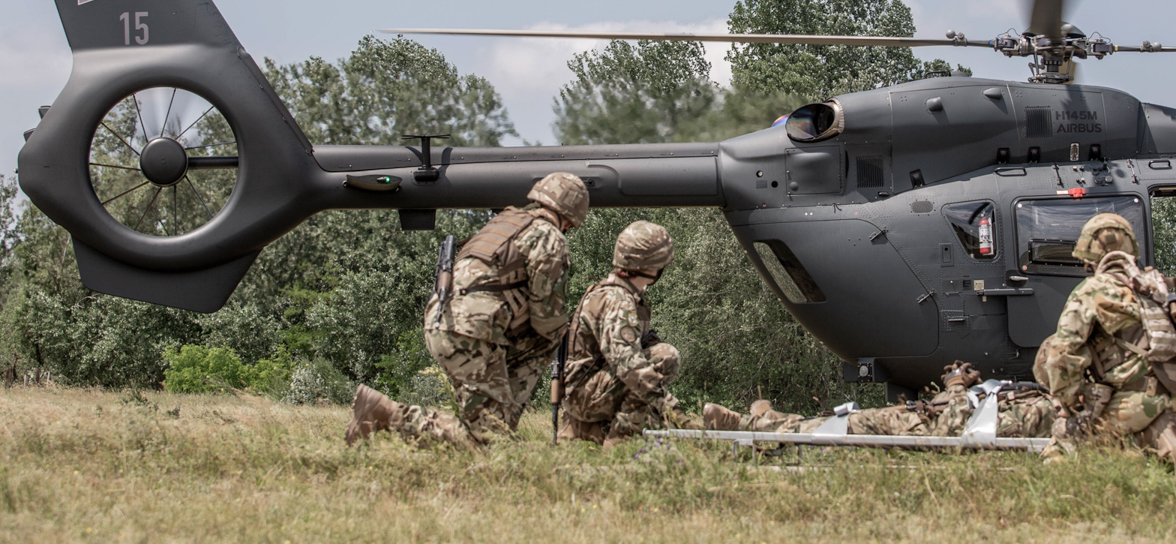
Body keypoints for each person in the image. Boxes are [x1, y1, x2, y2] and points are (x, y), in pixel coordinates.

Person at [345, 171, 590, 447]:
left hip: (444, 321)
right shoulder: (549, 237)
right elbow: (546, 319)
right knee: (491, 439)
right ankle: (385, 413)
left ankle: (498, 415)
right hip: (472, 335)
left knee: (484, 433)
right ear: (569, 219)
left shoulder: (505, 224)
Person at [1032, 211, 1176, 476]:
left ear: (1089, 253)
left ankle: (1149, 437)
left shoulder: (1093, 289)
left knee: (1066, 442)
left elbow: (1062, 353)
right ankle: (1156, 437)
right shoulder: (1154, 285)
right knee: (1124, 434)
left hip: (1136, 399)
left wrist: (1071, 404)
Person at [557, 220, 693, 446]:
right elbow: (628, 364)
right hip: (584, 396)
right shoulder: (618, 300)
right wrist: (671, 407)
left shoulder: (625, 296)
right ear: (653, 264)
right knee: (665, 356)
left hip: (585, 391)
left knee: (651, 357)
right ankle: (621, 443)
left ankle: (621, 432)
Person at [700, 362, 1056, 438]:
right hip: (921, 418)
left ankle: (747, 426)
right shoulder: (1039, 399)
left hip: (921, 429)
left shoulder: (1043, 414)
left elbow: (961, 434)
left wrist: (958, 387)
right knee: (845, 421)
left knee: (847, 425)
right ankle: (772, 421)